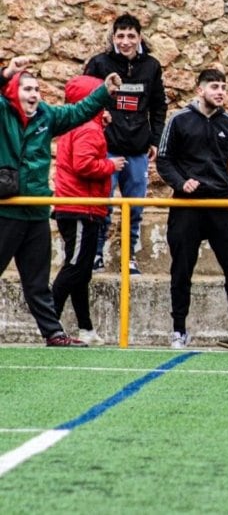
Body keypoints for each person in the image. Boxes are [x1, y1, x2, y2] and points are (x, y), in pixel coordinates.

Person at [0, 56, 121, 346]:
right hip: (7, 210)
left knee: (38, 281)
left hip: (37, 209)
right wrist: (7, 73)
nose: (33, 94)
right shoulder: (3, 112)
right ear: (12, 92)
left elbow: (79, 111)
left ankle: (53, 333)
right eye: (27, 88)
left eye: (37, 89)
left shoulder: (46, 115)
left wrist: (104, 91)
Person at [156, 69, 228, 350]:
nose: (220, 91)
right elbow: (164, 160)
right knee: (181, 270)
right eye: (214, 86)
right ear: (200, 90)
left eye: (224, 87)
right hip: (187, 206)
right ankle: (179, 330)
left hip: (221, 204)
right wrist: (180, 182)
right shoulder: (178, 120)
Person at [84, 13, 167, 276]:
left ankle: (128, 257)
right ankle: (96, 254)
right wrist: (99, 121)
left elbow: (158, 105)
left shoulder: (151, 66)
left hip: (138, 148)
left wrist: (154, 139)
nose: (126, 41)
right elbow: (83, 99)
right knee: (102, 204)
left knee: (136, 206)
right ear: (113, 37)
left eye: (131, 35)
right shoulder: (99, 63)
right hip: (106, 146)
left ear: (139, 37)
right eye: (120, 35)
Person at [51, 75, 127, 346]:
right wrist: (111, 165)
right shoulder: (87, 128)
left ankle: (86, 328)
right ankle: (50, 323)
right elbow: (84, 164)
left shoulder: (83, 125)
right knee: (75, 267)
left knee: (82, 271)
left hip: (79, 206)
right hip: (81, 207)